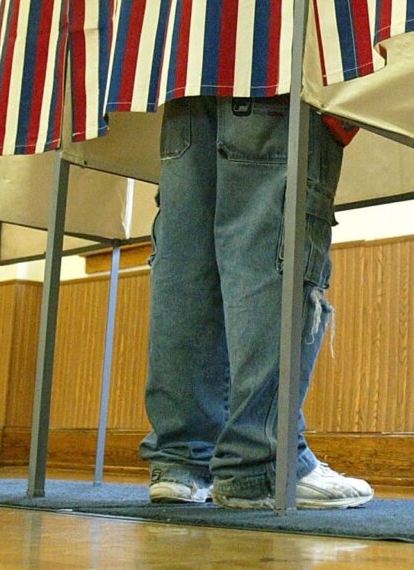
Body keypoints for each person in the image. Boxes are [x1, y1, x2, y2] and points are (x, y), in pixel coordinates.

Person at [138, 94, 374, 509]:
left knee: (188, 258)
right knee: (269, 245)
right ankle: (262, 463)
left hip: (188, 67)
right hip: (274, 63)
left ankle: (182, 460)